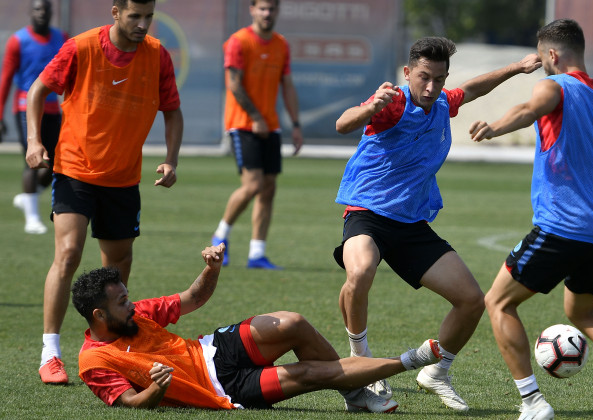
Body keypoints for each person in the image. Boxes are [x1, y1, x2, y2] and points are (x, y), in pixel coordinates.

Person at [469, 19, 593, 420]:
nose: (541, 67)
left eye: (542, 60)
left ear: (552, 55)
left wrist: (493, 127)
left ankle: (532, 403)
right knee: (583, 313)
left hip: (562, 226)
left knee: (498, 303)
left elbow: (528, 108)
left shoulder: (554, 87)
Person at [333, 36, 541, 412]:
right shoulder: (393, 102)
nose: (431, 88)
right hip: (367, 213)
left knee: (471, 301)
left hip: (411, 223)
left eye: (440, 79)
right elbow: (342, 123)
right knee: (360, 272)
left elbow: (473, 88)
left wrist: (517, 67)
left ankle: (437, 371)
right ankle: (360, 364)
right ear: (408, 73)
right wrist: (368, 109)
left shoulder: (443, 101)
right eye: (424, 77)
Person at [72, 243, 442, 412]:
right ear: (99, 316)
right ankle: (411, 360)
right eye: (121, 302)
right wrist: (156, 387)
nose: (132, 305)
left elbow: (193, 298)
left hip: (212, 350)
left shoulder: (138, 314)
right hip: (222, 388)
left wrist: (210, 270)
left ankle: (354, 394)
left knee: (293, 322)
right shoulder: (95, 363)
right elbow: (130, 404)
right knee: (310, 373)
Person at [26, 0, 183, 384]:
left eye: (148, 16)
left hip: (123, 178)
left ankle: (106, 345)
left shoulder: (158, 55)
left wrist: (171, 159)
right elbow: (38, 89)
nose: (143, 24)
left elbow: (172, 110)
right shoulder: (80, 47)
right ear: (115, 12)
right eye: (135, 16)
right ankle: (50, 353)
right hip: (75, 169)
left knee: (116, 270)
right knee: (68, 253)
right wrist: (34, 141)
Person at [211, 0, 303, 270]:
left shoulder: (280, 44)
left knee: (268, 189)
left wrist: (295, 125)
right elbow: (235, 85)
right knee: (252, 185)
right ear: (252, 9)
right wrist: (256, 118)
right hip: (243, 124)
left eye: (272, 8)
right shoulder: (238, 41)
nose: (267, 13)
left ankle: (257, 254)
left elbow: (287, 86)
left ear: (277, 11)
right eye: (262, 8)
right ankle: (220, 238)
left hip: (270, 126)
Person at [0, 0, 67, 234]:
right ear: (31, 12)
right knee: (33, 159)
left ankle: (28, 196)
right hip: (24, 108)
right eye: (38, 9)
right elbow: (6, 79)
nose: (42, 14)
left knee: (55, 163)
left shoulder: (62, 38)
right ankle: (32, 218)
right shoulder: (18, 41)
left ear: (51, 13)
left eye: (46, 10)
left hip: (52, 110)